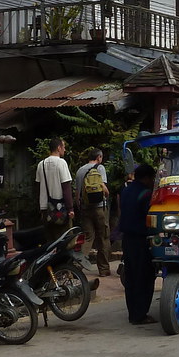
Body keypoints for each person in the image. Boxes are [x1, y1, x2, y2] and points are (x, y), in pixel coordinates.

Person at [119, 164, 158, 325]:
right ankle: (140, 314)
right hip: (142, 240)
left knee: (132, 277)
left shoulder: (126, 190)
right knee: (145, 278)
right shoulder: (146, 194)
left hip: (127, 239)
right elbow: (150, 219)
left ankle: (133, 313)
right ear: (147, 178)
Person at [73, 148, 111, 277]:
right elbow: (104, 189)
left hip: (85, 209)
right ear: (99, 157)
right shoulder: (100, 168)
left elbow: (77, 194)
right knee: (103, 237)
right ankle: (104, 269)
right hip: (100, 208)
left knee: (88, 238)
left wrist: (80, 207)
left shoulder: (80, 171)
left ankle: (78, 267)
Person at [35, 137, 73, 241]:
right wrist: (70, 208)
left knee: (50, 241)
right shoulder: (61, 163)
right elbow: (66, 187)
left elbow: (38, 188)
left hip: (45, 210)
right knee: (66, 240)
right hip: (60, 209)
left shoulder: (41, 165)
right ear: (58, 148)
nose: (64, 150)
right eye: (63, 147)